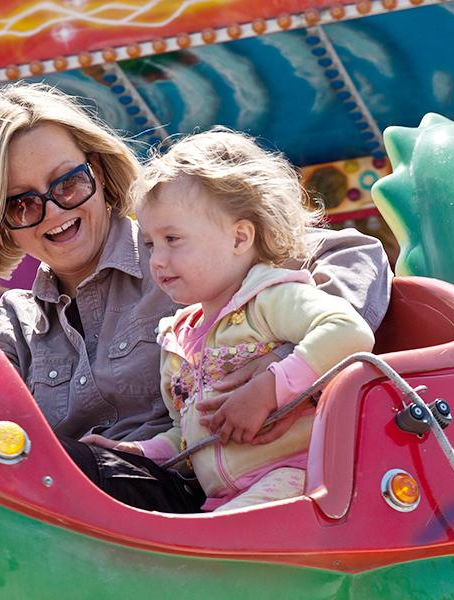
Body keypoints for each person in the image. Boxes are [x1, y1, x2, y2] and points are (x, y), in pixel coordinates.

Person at [0, 81, 393, 513]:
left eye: (67, 183)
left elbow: (350, 253)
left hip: (192, 497)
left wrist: (288, 363)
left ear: (100, 172)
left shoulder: (187, 255)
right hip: (76, 512)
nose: (54, 210)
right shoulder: (15, 326)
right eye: (22, 204)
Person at [84, 129, 374, 511]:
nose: (156, 259)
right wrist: (136, 452)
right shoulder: (177, 337)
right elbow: (186, 435)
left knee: (203, 551)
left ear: (239, 238)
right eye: (151, 243)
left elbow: (349, 332)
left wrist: (270, 387)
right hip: (225, 498)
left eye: (173, 239)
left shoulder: (269, 297)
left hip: (298, 478)